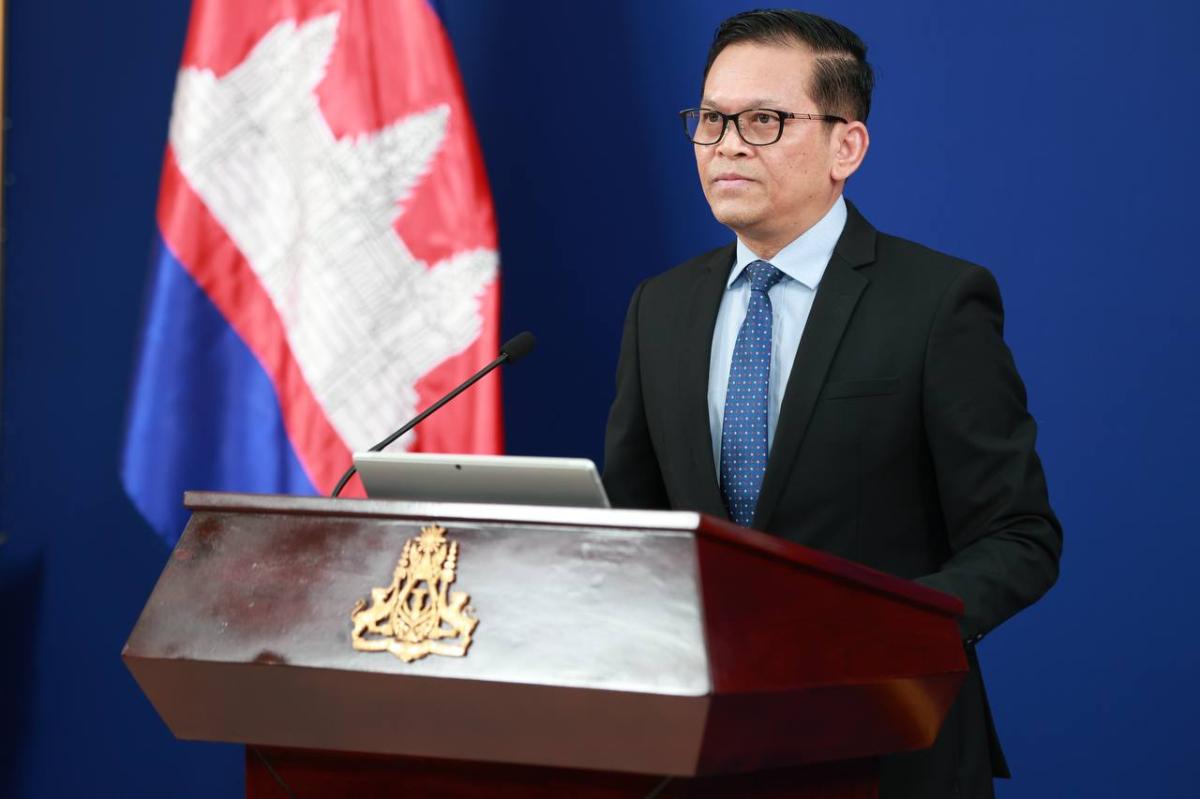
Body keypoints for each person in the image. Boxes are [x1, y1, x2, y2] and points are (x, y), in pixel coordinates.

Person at [602, 9, 1062, 798]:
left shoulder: (937, 302)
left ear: (846, 147)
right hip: (700, 752)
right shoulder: (660, 307)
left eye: (764, 120)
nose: (727, 145)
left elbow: (1020, 535)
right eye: (711, 120)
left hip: (884, 746)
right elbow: (634, 524)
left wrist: (883, 633)